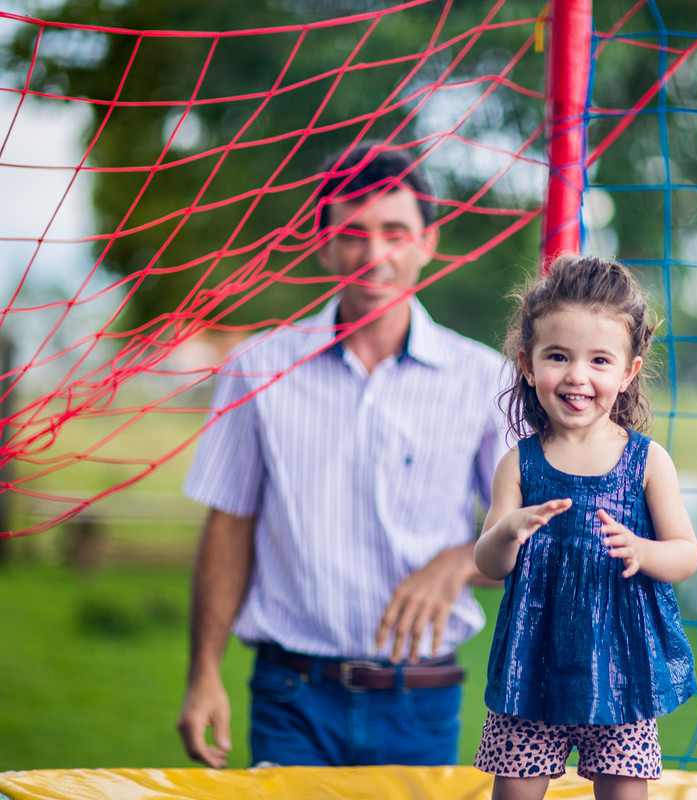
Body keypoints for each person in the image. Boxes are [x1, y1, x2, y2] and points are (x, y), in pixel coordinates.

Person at [176, 141, 508, 768]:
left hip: (421, 698)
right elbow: (229, 526)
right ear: (323, 244)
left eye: (394, 232)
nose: (374, 255)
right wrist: (203, 674)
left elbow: (534, 536)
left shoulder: (484, 380)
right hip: (291, 694)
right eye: (353, 234)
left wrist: (459, 561)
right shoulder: (257, 368)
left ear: (428, 241)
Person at [472, 255, 697, 800]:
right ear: (528, 364)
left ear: (628, 372)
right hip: (532, 667)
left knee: (624, 791)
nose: (577, 375)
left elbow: (686, 554)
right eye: (558, 356)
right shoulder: (519, 464)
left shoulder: (647, 461)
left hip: (622, 667)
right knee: (515, 792)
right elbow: (488, 563)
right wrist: (508, 532)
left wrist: (643, 551)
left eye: (599, 360)